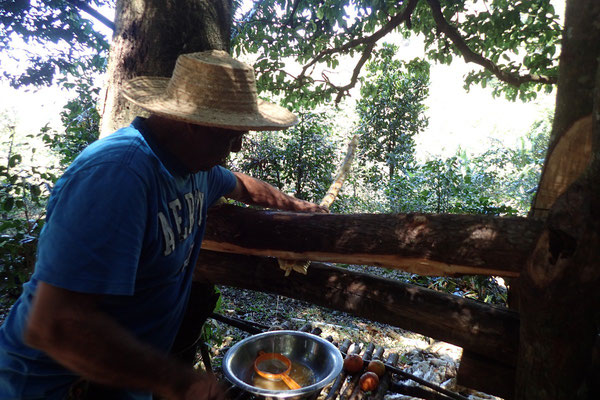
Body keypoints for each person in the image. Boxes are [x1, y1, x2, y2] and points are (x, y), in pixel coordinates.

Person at [0, 50, 327, 400]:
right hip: (58, 385)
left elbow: (241, 185)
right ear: (193, 122)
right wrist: (178, 381)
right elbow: (53, 326)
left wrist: (300, 207)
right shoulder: (118, 176)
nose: (236, 147)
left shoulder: (193, 168)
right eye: (230, 135)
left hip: (123, 381)